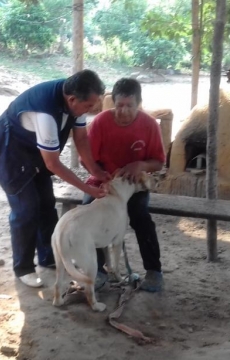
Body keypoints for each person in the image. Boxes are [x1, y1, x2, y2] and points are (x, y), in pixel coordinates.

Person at [0, 69, 112, 288]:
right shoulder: (45, 114)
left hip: (35, 152)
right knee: (26, 209)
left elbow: (81, 138)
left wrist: (95, 171)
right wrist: (87, 188)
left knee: (46, 203)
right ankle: (23, 267)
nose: (90, 111)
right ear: (72, 100)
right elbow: (52, 163)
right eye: (88, 106)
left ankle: (49, 257)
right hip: (10, 153)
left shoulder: (78, 100)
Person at [82, 78, 165, 292]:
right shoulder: (101, 122)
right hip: (104, 179)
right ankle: (98, 271)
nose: (124, 111)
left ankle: (154, 271)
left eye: (130, 106)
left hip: (134, 184)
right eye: (119, 105)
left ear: (139, 103)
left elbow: (158, 162)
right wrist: (100, 174)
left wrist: (141, 164)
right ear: (113, 103)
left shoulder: (149, 125)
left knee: (140, 216)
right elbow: (86, 159)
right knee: (89, 211)